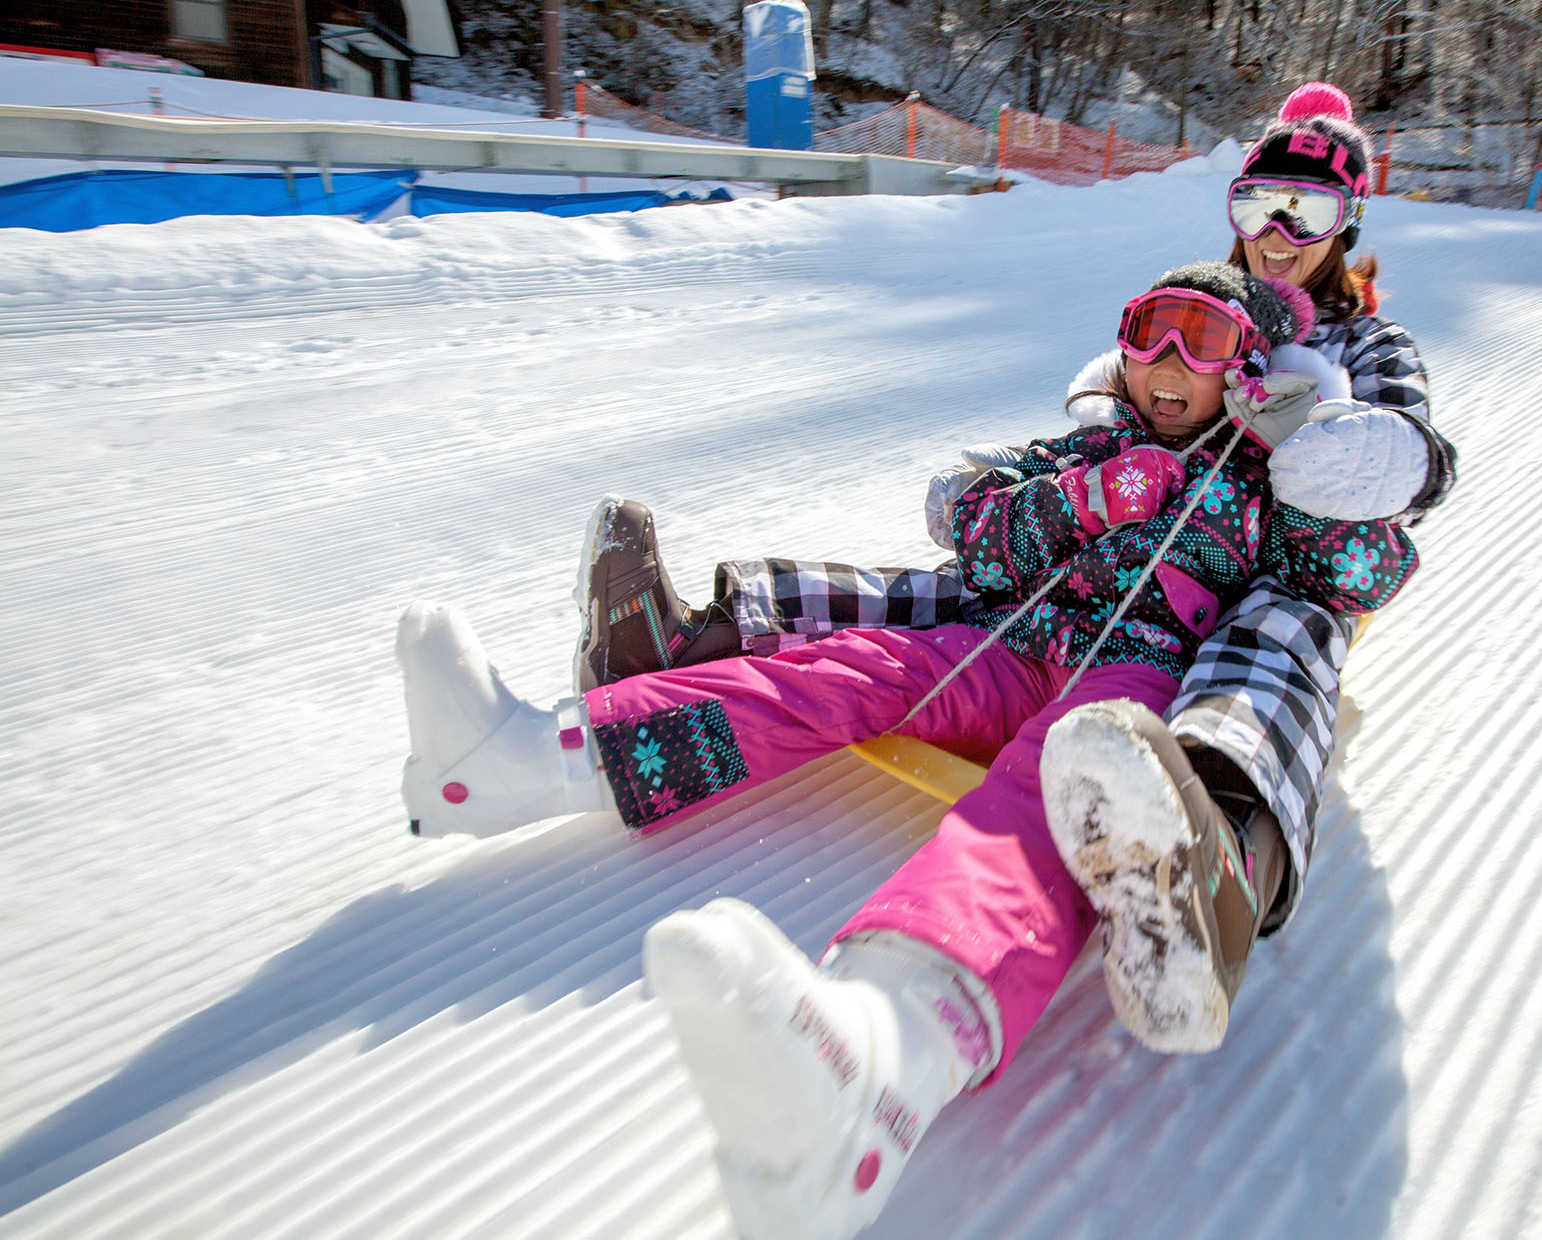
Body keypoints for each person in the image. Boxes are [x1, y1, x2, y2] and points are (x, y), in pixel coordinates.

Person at [395, 262, 1418, 1238]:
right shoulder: (1086, 450)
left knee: (1050, 794)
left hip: (1141, 673)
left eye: (1199, 338)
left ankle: (882, 1055)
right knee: (844, 669)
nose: (1164, 357)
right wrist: (1082, 498)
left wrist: (1312, 469)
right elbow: (969, 524)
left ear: (1244, 365)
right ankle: (527, 756)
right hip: (1014, 637)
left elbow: (1365, 567)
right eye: (1147, 328)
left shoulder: (1257, 479)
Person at [570, 79, 1455, 991]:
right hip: (1137, 542)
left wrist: (1323, 456)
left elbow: (1407, 469)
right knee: (987, 592)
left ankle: (1222, 845)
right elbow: (1123, 388)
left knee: (1273, 636)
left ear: (1346, 220)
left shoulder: (1371, 347)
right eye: (1257, 202)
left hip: (1290, 554)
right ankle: (698, 639)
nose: (1277, 231)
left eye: (1305, 209)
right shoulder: (1216, 303)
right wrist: (1079, 469)